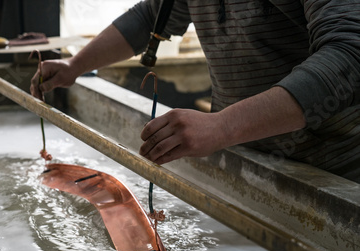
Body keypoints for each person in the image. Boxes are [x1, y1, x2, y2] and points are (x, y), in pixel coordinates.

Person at [30, 0, 360, 183]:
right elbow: (150, 17)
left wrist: (222, 125)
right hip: (244, 163)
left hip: (329, 173)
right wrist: (75, 65)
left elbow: (349, 56)